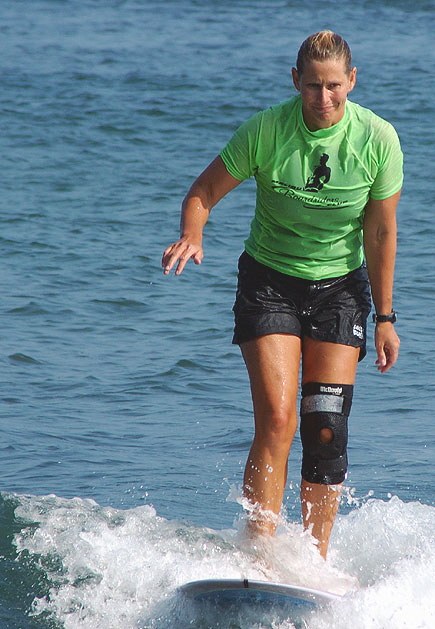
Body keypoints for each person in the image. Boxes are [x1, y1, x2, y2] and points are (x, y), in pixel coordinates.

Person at [162, 30, 403, 559]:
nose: (323, 99)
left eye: (334, 86)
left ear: (352, 81)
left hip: (341, 289)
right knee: (277, 418)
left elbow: (381, 234)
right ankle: (259, 552)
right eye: (313, 86)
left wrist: (384, 316)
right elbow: (203, 192)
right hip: (270, 282)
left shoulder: (377, 139)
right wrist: (193, 232)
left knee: (325, 427)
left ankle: (312, 563)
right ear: (296, 81)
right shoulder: (267, 130)